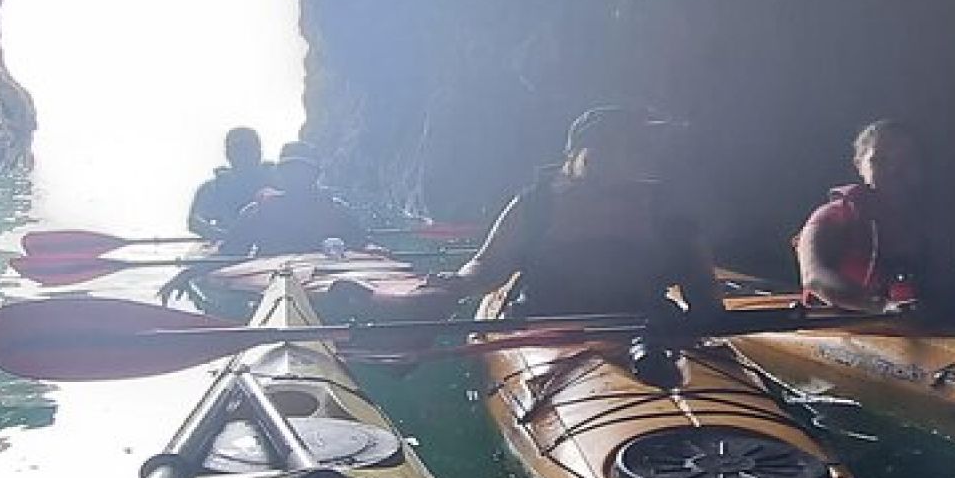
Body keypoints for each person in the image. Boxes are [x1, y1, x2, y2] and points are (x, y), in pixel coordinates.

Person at [400, 106, 724, 319]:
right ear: (577, 154)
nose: (624, 156)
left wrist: (708, 324)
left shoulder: (668, 212)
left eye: (634, 146)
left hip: (646, 325)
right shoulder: (537, 204)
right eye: (611, 145)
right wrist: (457, 284)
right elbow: (489, 265)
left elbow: (702, 288)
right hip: (548, 324)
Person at [796, 119, 947, 311]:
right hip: (843, 322)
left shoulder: (933, 221)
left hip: (919, 322)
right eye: (880, 160)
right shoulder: (834, 215)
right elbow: (814, 276)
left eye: (905, 161)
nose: (894, 170)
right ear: (859, 165)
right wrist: (881, 306)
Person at [223, 141, 368, 256]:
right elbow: (230, 254)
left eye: (303, 170)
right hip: (272, 281)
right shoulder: (257, 212)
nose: (296, 176)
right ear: (280, 174)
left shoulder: (337, 210)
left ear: (316, 174)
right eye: (289, 170)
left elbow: (362, 249)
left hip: (325, 280)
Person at [187, 128, 271, 240]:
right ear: (228, 154)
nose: (244, 154)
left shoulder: (277, 181)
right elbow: (195, 221)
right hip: (230, 245)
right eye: (238, 149)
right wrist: (225, 236)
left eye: (248, 148)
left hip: (273, 244)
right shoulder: (214, 188)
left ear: (259, 151)